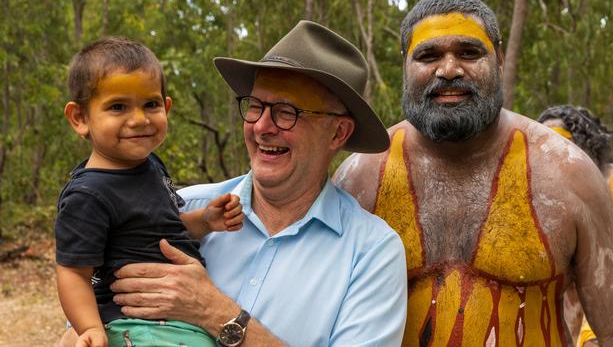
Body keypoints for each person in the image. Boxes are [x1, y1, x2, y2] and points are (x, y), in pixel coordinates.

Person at [59, 21, 408, 347]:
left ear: (338, 132)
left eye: (287, 111)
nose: (262, 126)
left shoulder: (371, 252)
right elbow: (85, 315)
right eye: (255, 106)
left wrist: (217, 313)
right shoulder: (185, 206)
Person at [334, 0, 613, 346]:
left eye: (469, 52)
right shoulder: (360, 179)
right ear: (405, 64)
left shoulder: (568, 175)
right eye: (429, 55)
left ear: (499, 60)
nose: (449, 69)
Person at [56, 37, 244, 347]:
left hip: (187, 325)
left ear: (166, 107)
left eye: (151, 105)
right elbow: (73, 272)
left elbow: (163, 230)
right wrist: (89, 328)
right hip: (134, 326)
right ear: (80, 118)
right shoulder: (88, 194)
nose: (139, 119)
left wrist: (206, 221)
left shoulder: (151, 166)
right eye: (118, 107)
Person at [539, 105, 613, 346]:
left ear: (585, 139)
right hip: (599, 325)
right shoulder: (555, 207)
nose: (550, 151)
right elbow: (570, 298)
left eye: (560, 141)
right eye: (542, 142)